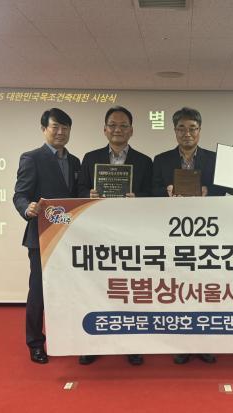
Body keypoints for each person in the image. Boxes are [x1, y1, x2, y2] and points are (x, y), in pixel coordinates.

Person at [77, 105, 153, 366]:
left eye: (123, 125)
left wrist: (137, 198)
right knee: (97, 288)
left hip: (131, 235)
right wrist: (88, 195)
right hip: (97, 235)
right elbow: (78, 191)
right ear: (104, 129)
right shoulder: (90, 158)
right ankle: (93, 343)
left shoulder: (144, 161)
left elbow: (153, 195)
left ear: (131, 130)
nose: (117, 129)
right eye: (112, 125)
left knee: (130, 289)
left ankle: (132, 344)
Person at [152, 106, 224, 364]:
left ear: (200, 130)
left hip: (207, 236)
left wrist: (208, 192)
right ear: (174, 131)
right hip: (174, 236)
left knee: (204, 289)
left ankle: (204, 341)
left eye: (192, 128)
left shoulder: (214, 159)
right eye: (181, 128)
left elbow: (222, 191)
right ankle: (182, 342)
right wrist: (166, 193)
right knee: (180, 288)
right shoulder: (161, 160)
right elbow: (151, 191)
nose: (187, 133)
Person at [13, 108, 81, 364]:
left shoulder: (75, 162)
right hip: (42, 236)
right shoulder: (31, 158)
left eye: (65, 128)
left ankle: (66, 337)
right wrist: (27, 208)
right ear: (44, 129)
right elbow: (20, 195)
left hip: (69, 237)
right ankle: (35, 343)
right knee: (39, 292)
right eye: (55, 127)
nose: (61, 132)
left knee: (68, 290)